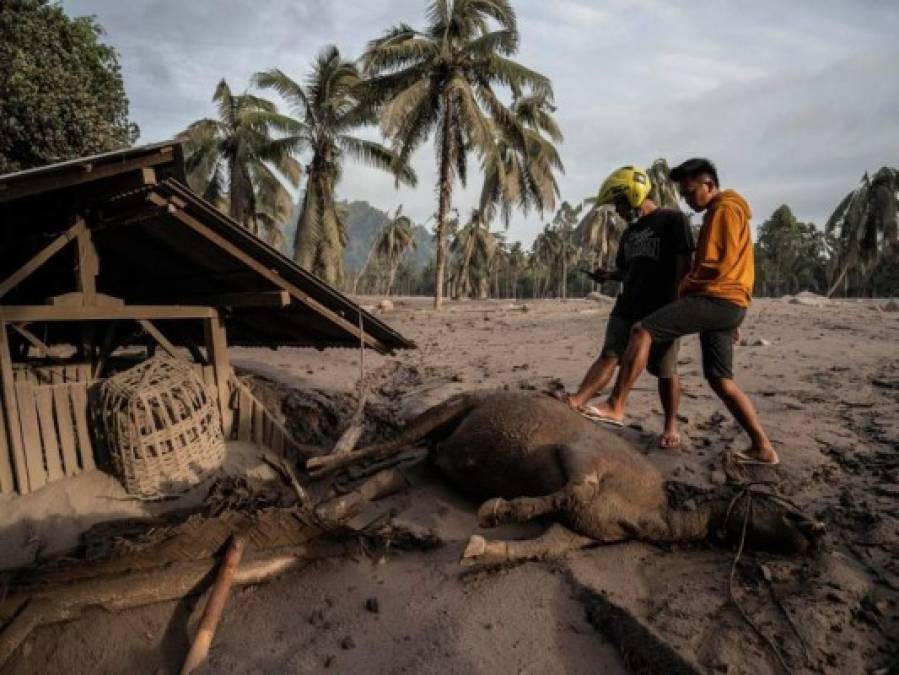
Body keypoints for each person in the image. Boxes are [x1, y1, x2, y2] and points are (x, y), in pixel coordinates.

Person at [592, 158, 779, 465]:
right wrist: (732, 313)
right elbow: (736, 267)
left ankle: (616, 404)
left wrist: (686, 289)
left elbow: (716, 264)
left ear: (709, 184)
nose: (689, 200)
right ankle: (763, 447)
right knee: (721, 381)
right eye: (684, 194)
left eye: (692, 192)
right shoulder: (727, 212)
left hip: (715, 298)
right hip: (729, 303)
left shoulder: (724, 210)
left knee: (642, 330)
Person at [558, 165, 694, 449]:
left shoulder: (673, 220)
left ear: (632, 194)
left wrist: (681, 302)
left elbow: (685, 262)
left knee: (665, 370)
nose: (617, 211)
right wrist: (608, 275)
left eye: (618, 203)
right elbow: (628, 269)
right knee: (609, 353)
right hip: (627, 304)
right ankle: (577, 400)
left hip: (661, 307)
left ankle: (670, 425)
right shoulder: (630, 234)